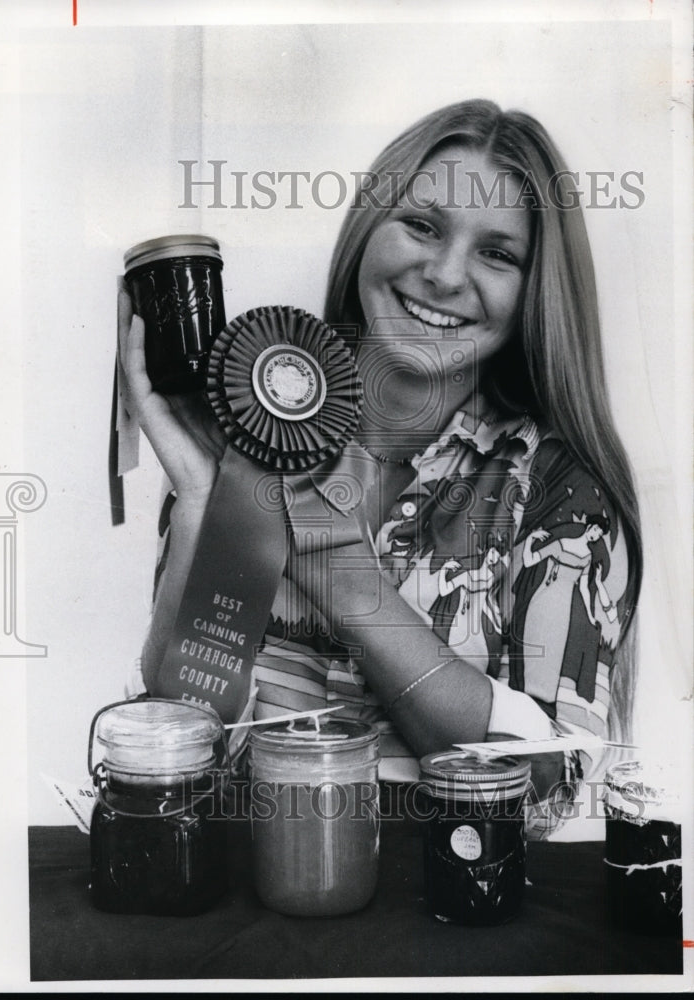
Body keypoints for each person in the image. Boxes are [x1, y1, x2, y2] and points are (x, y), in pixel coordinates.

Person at [118, 98, 642, 838]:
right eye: (421, 225)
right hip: (249, 904)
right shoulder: (257, 428)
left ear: (533, 292)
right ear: (368, 228)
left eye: (497, 253)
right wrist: (206, 504)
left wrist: (338, 573)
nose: (444, 274)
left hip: (442, 922)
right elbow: (182, 729)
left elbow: (545, 787)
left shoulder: (560, 490)